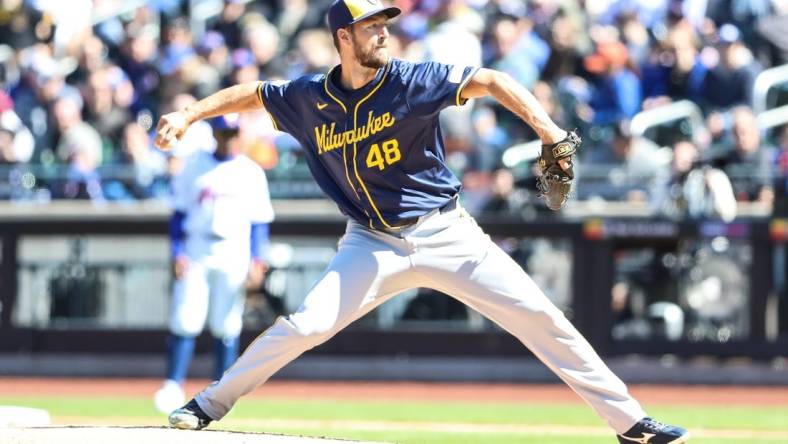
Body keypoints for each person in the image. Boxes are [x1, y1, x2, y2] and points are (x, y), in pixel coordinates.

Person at [154, 1, 689, 442]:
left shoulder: (412, 80)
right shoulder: (310, 97)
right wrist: (186, 114)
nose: (384, 34)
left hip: (447, 233)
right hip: (370, 243)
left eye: (386, 24)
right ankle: (207, 403)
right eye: (372, 26)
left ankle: (629, 423)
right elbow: (253, 94)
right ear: (344, 37)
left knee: (542, 318)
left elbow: (494, 80)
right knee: (304, 326)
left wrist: (550, 133)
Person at [153, 113, 275, 414]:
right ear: (215, 134)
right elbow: (178, 215)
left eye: (234, 132)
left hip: (234, 248)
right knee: (185, 315)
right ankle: (172, 383)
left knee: (227, 321)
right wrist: (177, 252)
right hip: (198, 245)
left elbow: (259, 222)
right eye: (224, 132)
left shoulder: (250, 171)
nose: (229, 137)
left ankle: (221, 387)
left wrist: (257, 259)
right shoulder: (194, 166)